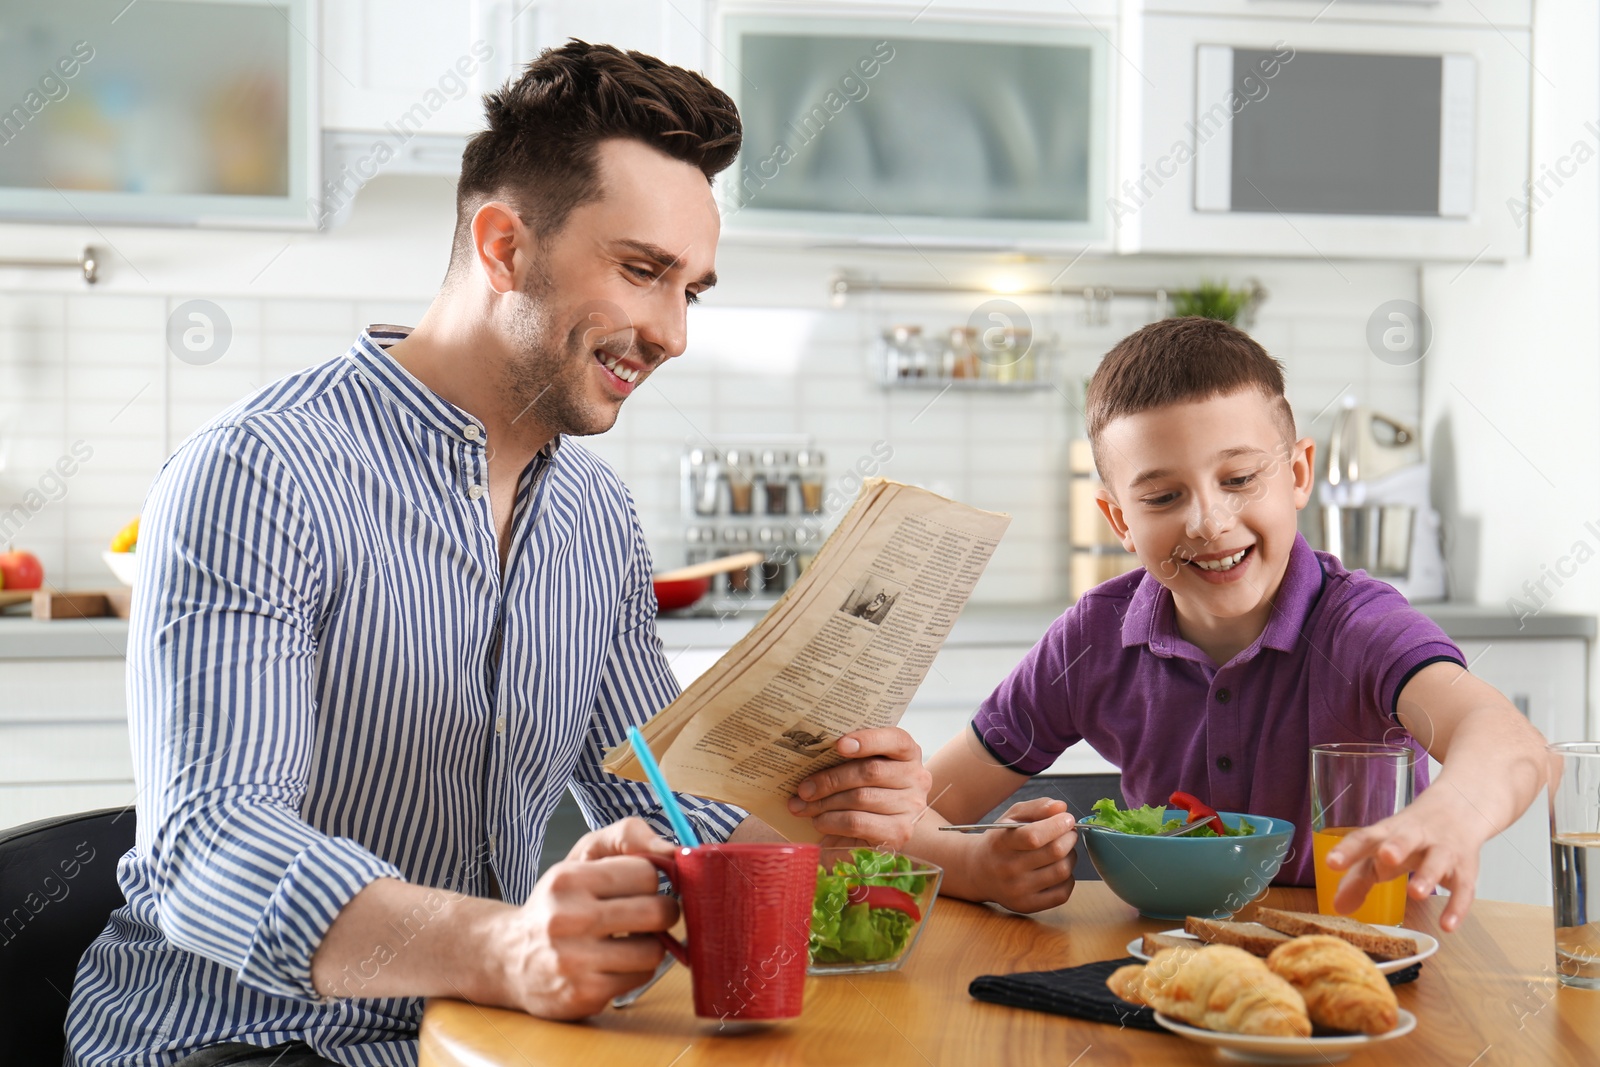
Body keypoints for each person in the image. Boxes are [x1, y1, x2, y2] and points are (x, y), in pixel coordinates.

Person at [66, 42, 931, 1067]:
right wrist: (506, 944)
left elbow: (663, 801)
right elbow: (212, 849)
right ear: (502, 246)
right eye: (640, 269)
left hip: (478, 1035)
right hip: (241, 1040)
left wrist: (824, 828)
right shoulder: (262, 474)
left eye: (689, 290)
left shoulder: (596, 518)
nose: (669, 332)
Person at [802, 316, 1547, 930]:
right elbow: (918, 811)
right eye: (1162, 497)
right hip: (1162, 975)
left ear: (1295, 474)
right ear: (1120, 519)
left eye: (1239, 478)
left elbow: (1511, 742)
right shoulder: (1093, 639)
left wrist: (1455, 810)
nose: (1209, 521)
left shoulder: (1357, 626)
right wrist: (969, 863)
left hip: (1365, 961)